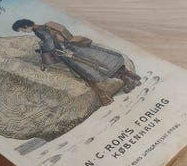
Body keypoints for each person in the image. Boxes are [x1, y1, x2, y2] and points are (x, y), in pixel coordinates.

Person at [12, 19, 141, 104]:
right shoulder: (46, 25)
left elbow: (50, 45)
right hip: (76, 46)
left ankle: (127, 83)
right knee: (102, 61)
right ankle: (133, 77)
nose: (24, 32)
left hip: (69, 53)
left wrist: (43, 48)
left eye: (22, 30)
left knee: (90, 71)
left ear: (26, 26)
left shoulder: (39, 31)